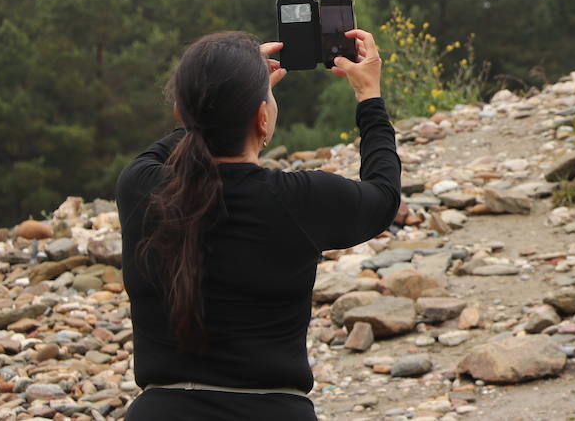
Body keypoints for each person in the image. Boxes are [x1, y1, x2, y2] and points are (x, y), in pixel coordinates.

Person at [117, 28, 401, 420]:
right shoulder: (300, 199)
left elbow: (186, 132)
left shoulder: (141, 188)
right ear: (262, 117)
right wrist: (369, 97)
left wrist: (220, 93)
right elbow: (384, 194)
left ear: (182, 114)